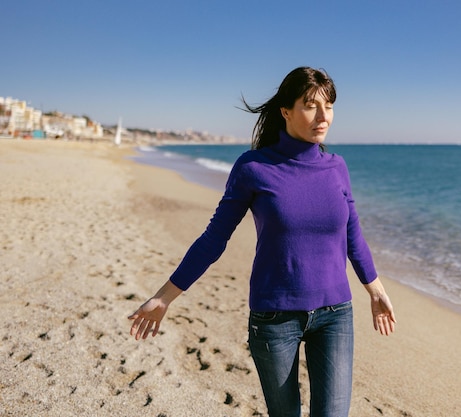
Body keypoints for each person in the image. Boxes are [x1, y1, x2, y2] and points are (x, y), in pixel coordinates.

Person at [128, 66, 396, 417]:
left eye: (329, 106)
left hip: (335, 314)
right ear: (286, 111)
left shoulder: (337, 167)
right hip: (274, 318)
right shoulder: (253, 167)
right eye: (311, 105)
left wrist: (374, 289)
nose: (323, 116)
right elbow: (213, 239)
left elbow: (352, 233)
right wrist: (164, 297)